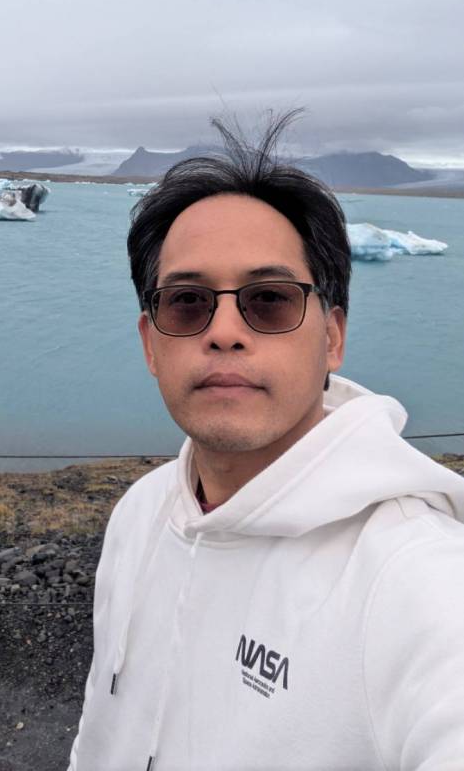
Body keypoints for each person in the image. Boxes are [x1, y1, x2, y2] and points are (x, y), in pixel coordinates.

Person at [69, 112, 464, 770]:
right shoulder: (139, 514)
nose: (224, 331)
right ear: (150, 343)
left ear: (331, 337)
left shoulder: (414, 580)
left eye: (269, 299)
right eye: (187, 301)